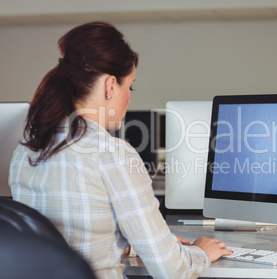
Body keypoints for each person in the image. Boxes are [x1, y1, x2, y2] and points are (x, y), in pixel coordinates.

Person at [8, 22, 231, 279]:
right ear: (110, 86)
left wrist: (125, 243)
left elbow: (65, 238)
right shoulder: (112, 154)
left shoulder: (26, 152)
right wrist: (201, 252)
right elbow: (172, 270)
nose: (130, 97)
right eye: (130, 86)